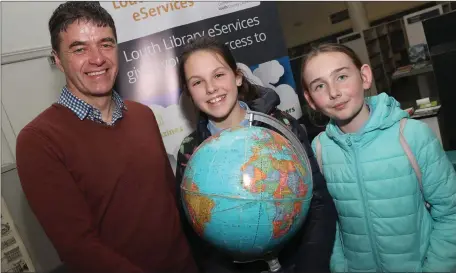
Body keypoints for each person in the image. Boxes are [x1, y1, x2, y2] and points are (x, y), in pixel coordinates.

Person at [15, 2, 198, 273]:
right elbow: (77, 247)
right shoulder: (39, 141)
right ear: (57, 60)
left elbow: (169, 200)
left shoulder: (142, 115)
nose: (97, 58)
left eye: (106, 44)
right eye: (79, 49)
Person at [175, 37, 337, 273]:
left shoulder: (280, 126)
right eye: (197, 82)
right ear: (189, 92)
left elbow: (319, 201)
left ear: (237, 77)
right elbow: (197, 231)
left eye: (219, 75)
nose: (211, 88)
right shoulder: (190, 150)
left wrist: (309, 266)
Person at [301, 43, 456, 272]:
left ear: (364, 76)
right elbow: (328, 224)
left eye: (342, 76)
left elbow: (450, 213)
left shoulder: (411, 135)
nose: (334, 92)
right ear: (311, 100)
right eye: (320, 86)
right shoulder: (320, 150)